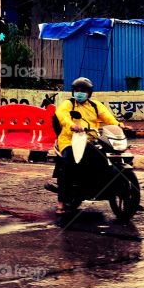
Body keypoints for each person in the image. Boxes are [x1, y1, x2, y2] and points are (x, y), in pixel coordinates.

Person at [53, 76, 121, 213]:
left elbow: (108, 117)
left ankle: (104, 187)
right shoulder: (69, 104)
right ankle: (61, 201)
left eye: (83, 90)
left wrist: (120, 125)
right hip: (70, 140)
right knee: (68, 162)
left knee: (104, 159)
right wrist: (72, 125)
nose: (80, 93)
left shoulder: (95, 106)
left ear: (89, 93)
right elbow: (61, 115)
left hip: (90, 140)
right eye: (77, 90)